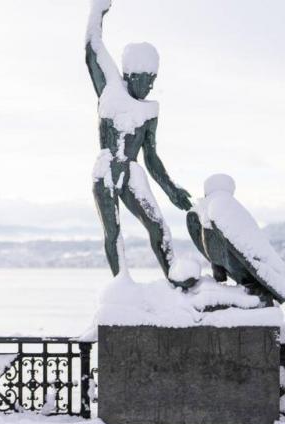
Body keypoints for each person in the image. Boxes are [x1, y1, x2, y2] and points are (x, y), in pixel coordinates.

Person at [85, 0, 194, 287]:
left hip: (132, 172)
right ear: (130, 75)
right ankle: (122, 285)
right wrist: (99, 11)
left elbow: (152, 158)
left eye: (153, 81)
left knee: (158, 226)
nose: (149, 87)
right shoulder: (110, 89)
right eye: (145, 80)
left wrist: (171, 190)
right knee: (113, 232)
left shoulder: (150, 111)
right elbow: (92, 49)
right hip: (107, 169)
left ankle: (175, 280)